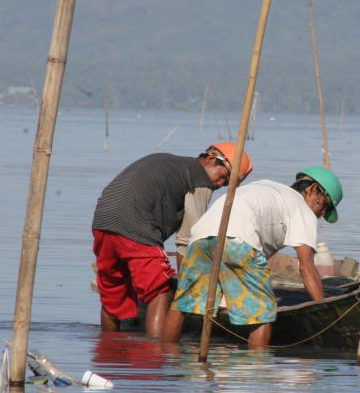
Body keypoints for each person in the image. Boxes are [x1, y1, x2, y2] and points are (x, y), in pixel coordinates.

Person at [161, 166, 343, 347]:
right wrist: (325, 311)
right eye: (324, 207)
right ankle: (254, 370)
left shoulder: (268, 187)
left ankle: (166, 359)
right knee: (262, 315)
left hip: (200, 237)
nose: (322, 214)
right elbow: (307, 267)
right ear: (311, 190)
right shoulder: (302, 209)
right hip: (239, 241)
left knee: (182, 305)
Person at [91, 142, 253, 335]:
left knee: (114, 293)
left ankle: (108, 351)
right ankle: (156, 353)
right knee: (161, 291)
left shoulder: (175, 164)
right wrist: (186, 288)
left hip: (102, 221)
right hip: (135, 227)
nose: (219, 185)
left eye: (226, 184)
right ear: (210, 159)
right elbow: (188, 240)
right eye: (222, 176)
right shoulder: (199, 180)